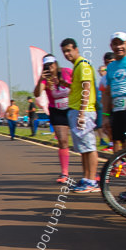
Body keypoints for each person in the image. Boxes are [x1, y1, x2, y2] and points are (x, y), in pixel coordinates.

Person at [60, 39, 99, 194]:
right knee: (83, 149)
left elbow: (86, 89)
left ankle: (92, 181)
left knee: (89, 147)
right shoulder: (77, 66)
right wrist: (67, 84)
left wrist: (82, 113)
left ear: (76, 49)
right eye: (64, 52)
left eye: (69, 50)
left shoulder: (83, 65)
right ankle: (86, 178)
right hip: (77, 110)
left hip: (84, 111)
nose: (67, 54)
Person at [34, 55, 73, 183]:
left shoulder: (67, 72)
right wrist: (41, 79)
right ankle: (64, 173)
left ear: (56, 64)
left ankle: (90, 173)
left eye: (51, 65)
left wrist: (63, 83)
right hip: (56, 111)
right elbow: (37, 93)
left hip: (72, 108)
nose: (50, 68)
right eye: (47, 66)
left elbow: (77, 87)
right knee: (62, 141)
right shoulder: (45, 79)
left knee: (80, 141)